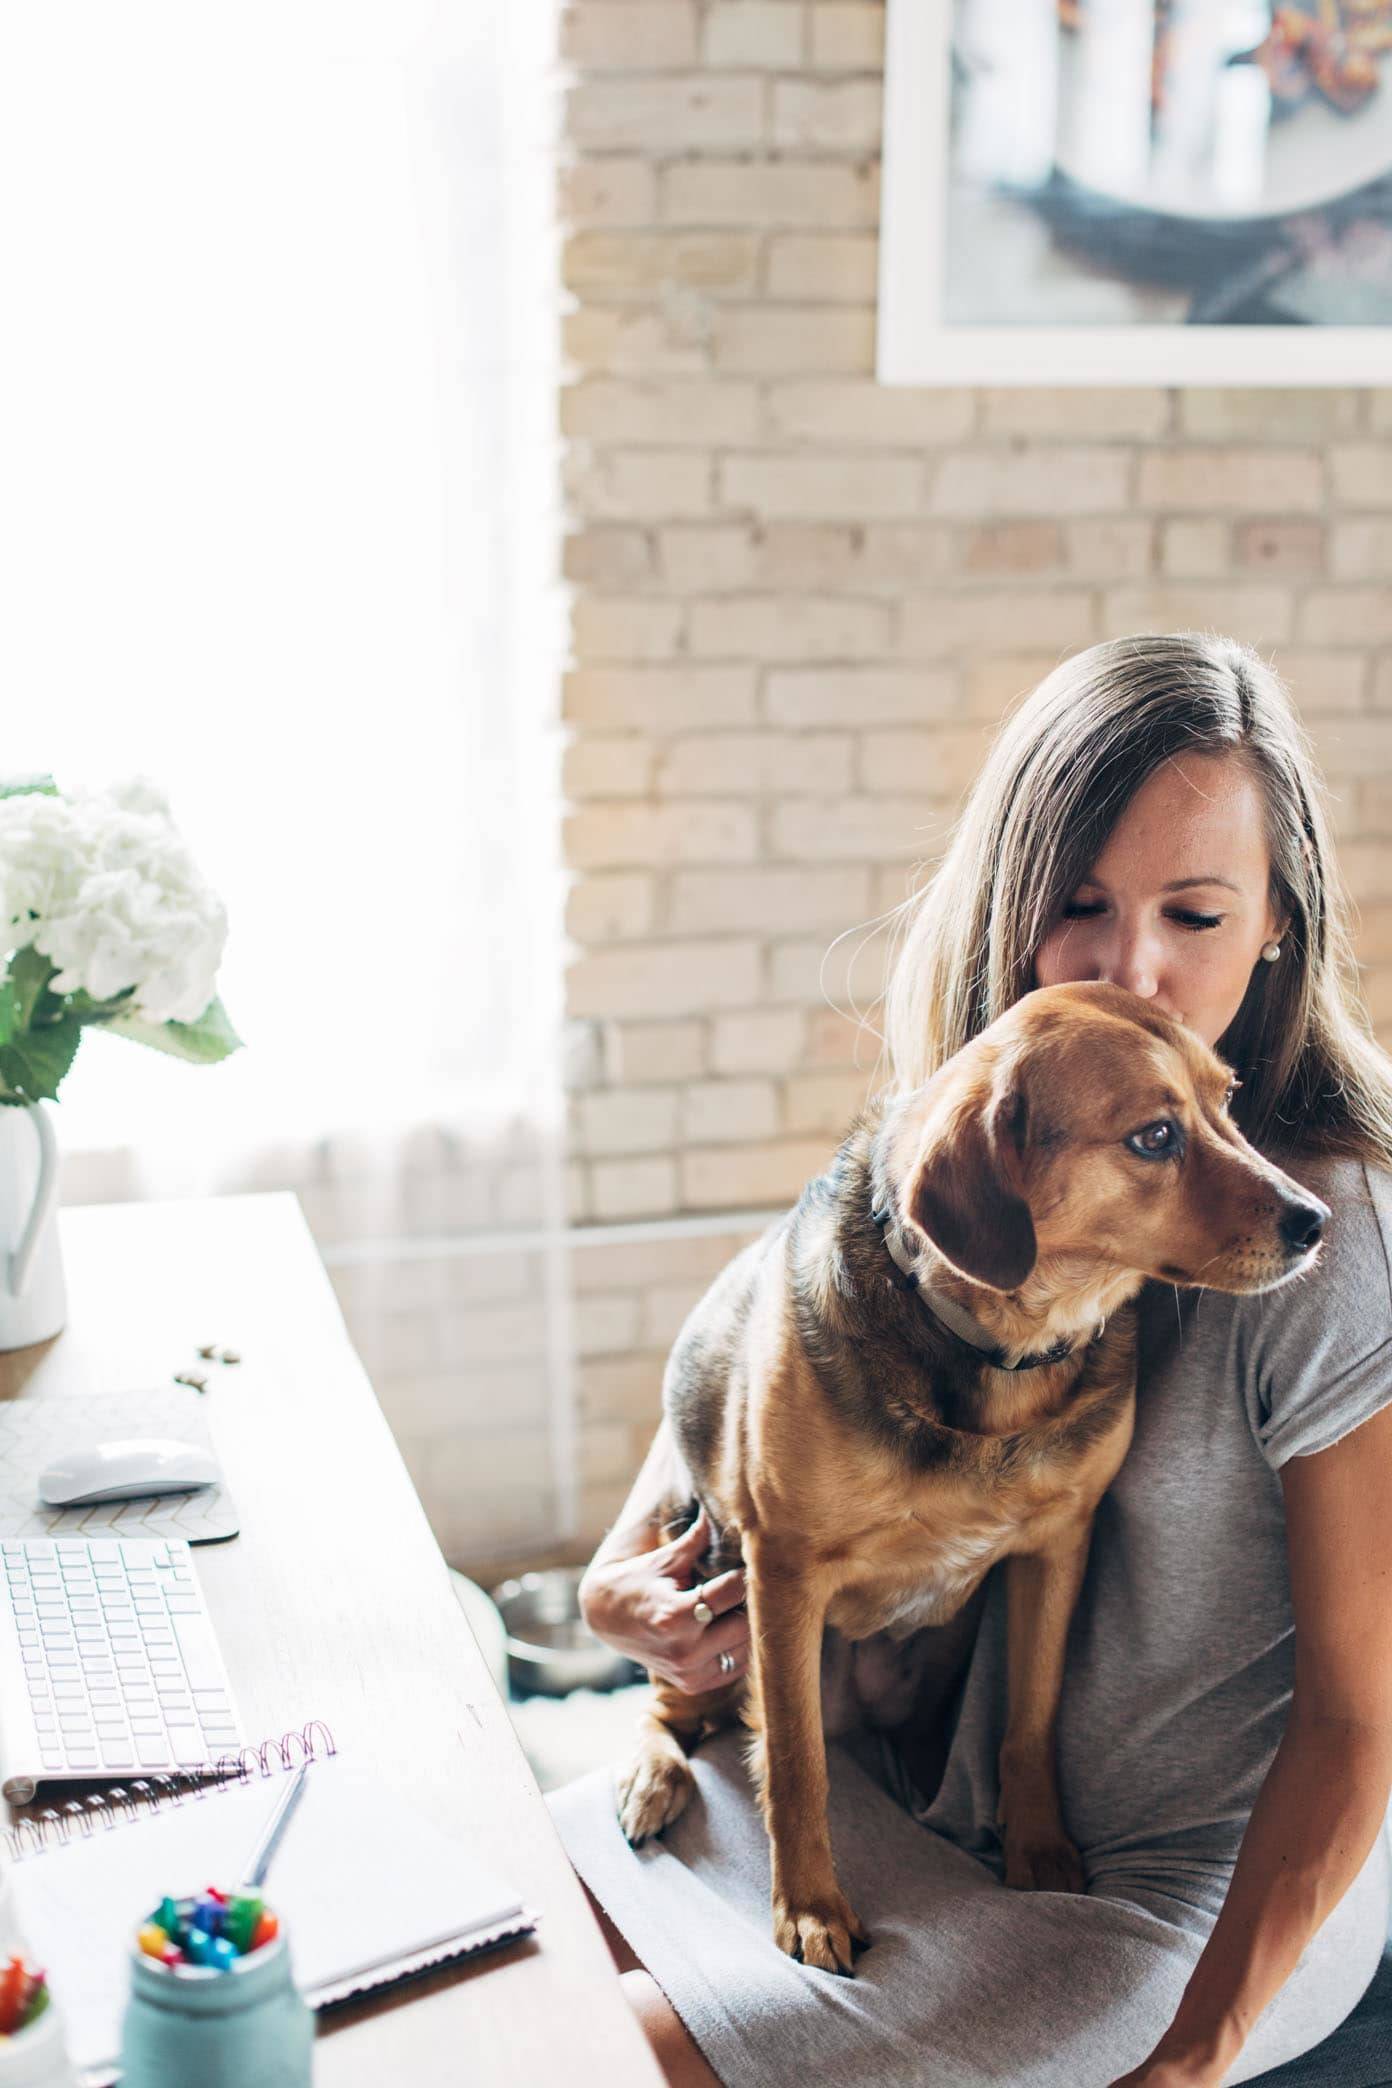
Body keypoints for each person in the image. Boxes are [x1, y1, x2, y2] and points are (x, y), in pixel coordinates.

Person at [548, 632, 1392, 2088]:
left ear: (1275, 925)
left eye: (1195, 912)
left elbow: (1361, 1718)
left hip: (1166, 1902)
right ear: (1012, 905)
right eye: (1081, 905)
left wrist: (1196, 2057)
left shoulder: (1323, 1232)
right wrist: (620, 1587)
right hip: (914, 1798)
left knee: (587, 2061)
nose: (1135, 965)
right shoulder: (994, 1123)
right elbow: (756, 1367)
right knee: (485, 1962)